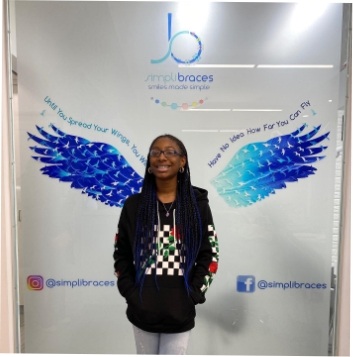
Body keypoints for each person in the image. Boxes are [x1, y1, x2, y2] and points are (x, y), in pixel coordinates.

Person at [113, 134, 219, 355]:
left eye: (170, 151)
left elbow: (210, 255)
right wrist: (131, 293)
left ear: (182, 161)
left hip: (180, 312)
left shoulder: (196, 207)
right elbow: (121, 254)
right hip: (142, 311)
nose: (162, 157)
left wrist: (192, 295)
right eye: (155, 152)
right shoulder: (134, 206)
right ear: (149, 163)